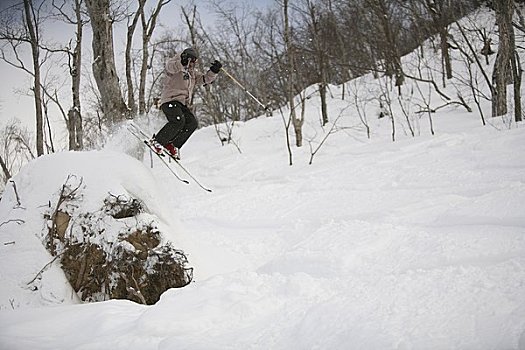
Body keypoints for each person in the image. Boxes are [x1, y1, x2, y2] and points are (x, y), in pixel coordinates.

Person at [151, 48, 222, 160]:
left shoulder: (191, 74)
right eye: (191, 61)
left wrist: (214, 71)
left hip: (181, 103)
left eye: (195, 62)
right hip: (169, 100)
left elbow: (204, 79)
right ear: (186, 58)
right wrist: (181, 62)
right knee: (178, 120)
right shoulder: (175, 66)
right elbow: (170, 67)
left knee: (192, 123)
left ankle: (172, 144)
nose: (193, 65)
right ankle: (158, 141)